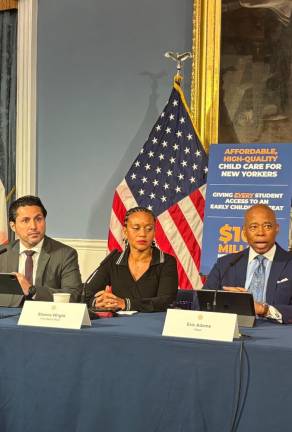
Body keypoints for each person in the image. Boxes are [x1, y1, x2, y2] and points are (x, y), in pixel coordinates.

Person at [203, 204, 292, 324]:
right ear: (244, 231)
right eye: (253, 227)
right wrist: (224, 301)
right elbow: (201, 302)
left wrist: (264, 309)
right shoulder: (225, 264)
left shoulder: (289, 262)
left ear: (277, 228)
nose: (260, 232)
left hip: (277, 336)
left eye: (267, 226)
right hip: (233, 332)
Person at [85, 206, 178, 312]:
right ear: (125, 231)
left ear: (154, 232)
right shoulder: (113, 260)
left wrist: (126, 304)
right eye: (136, 228)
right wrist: (97, 302)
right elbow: (85, 294)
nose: (143, 234)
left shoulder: (166, 261)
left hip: (152, 324)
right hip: (117, 324)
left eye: (149, 229)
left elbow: (166, 301)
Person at [0, 195, 82, 306]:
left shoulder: (65, 254)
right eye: (25, 220)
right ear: (13, 226)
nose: (33, 226)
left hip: (46, 317)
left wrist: (32, 290)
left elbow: (73, 295)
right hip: (8, 317)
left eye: (38, 219)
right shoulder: (3, 253)